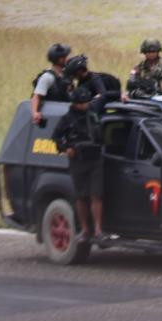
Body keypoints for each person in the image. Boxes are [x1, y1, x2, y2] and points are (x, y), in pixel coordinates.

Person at [51, 87, 109, 242]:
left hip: (95, 158)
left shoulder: (93, 112)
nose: (85, 105)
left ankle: (98, 230)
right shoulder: (67, 119)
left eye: (87, 102)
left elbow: (105, 96)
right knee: (81, 196)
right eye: (82, 103)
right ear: (75, 104)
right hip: (78, 160)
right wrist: (65, 148)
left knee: (97, 194)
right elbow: (56, 137)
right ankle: (85, 230)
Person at [31, 43, 73, 127]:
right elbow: (37, 96)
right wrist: (35, 112)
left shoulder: (65, 75)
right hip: (52, 114)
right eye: (66, 56)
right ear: (60, 59)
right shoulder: (47, 77)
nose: (68, 59)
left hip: (63, 113)